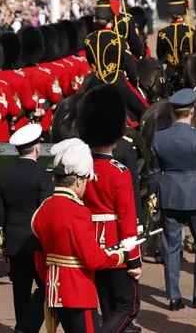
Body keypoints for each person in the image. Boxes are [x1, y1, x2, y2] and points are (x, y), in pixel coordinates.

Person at [31, 138, 130, 333]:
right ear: (78, 181)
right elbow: (92, 259)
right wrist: (120, 254)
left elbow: (40, 258)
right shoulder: (78, 211)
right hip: (78, 293)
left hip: (54, 292)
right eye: (85, 181)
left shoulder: (43, 209)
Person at [77, 86, 140, 333]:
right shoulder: (119, 172)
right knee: (128, 307)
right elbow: (126, 218)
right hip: (117, 248)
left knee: (106, 306)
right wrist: (133, 258)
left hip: (92, 244)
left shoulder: (82, 171)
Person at [149, 88, 196, 311]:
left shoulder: (160, 137)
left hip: (168, 196)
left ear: (174, 112)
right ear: (191, 113)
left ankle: (174, 297)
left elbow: (153, 173)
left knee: (171, 247)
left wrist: (154, 198)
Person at [0, 123, 50, 333]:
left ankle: (22, 326)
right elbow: (45, 213)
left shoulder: (5, 174)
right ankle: (26, 328)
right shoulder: (42, 175)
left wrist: (1, 236)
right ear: (36, 148)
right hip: (36, 242)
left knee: (20, 293)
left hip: (14, 242)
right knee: (46, 287)